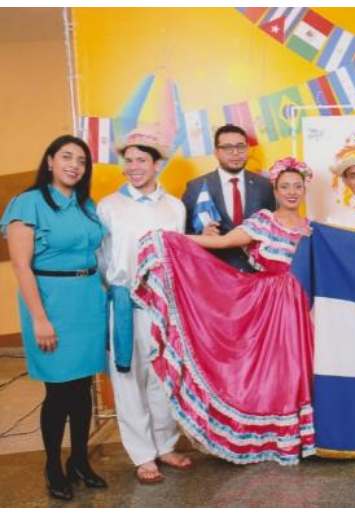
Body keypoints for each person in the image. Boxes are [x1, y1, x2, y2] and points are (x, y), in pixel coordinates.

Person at [131, 157, 316, 465]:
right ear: (276, 189)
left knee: (296, 371)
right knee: (270, 373)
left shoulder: (311, 228)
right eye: (285, 186)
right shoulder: (263, 221)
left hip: (300, 309)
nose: (292, 192)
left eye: (298, 186)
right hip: (267, 308)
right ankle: (266, 437)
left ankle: (295, 437)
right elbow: (223, 242)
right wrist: (173, 240)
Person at [1, 135, 108, 500]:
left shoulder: (85, 204)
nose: (74, 165)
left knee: (82, 389)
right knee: (59, 391)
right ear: (49, 161)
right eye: (66, 157)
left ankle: (79, 460)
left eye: (81, 160)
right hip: (51, 303)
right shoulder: (27, 203)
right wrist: (40, 319)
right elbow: (21, 267)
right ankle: (53, 465)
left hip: (87, 301)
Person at [96, 128, 192, 484]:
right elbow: (103, 258)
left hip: (164, 304)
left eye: (141, 160)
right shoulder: (109, 206)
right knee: (127, 377)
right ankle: (142, 454)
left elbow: (178, 256)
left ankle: (165, 444)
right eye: (129, 160)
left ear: (157, 165)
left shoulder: (174, 207)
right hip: (124, 305)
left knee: (164, 377)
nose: (133, 167)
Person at [181, 124, 275, 271]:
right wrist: (202, 234)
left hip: (256, 275)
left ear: (247, 150)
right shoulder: (196, 187)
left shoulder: (264, 186)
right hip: (214, 273)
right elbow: (182, 234)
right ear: (216, 152)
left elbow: (273, 230)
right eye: (227, 148)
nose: (235, 153)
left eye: (240, 147)